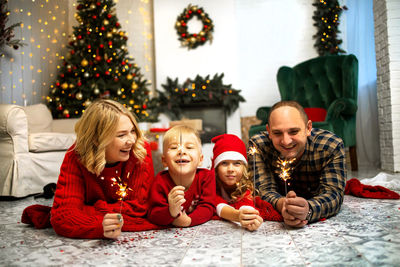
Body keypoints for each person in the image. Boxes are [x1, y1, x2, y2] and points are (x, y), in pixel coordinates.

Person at [47, 99, 159, 239]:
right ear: (96, 139)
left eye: (132, 131)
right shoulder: (75, 157)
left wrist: (85, 210)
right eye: (121, 135)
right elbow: (63, 217)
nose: (131, 140)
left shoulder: (140, 150)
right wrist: (101, 225)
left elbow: (138, 208)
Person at [249, 100, 346, 228]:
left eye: (293, 132)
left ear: (308, 128)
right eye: (277, 133)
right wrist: (282, 204)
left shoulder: (330, 146)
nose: (286, 141)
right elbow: (262, 190)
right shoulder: (258, 146)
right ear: (269, 131)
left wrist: (309, 210)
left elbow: (334, 194)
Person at [147, 125, 215, 227]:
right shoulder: (160, 182)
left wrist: (189, 220)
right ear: (164, 161)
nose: (182, 151)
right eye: (174, 147)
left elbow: (208, 207)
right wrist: (170, 212)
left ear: (200, 159)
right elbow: (153, 214)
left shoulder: (206, 177)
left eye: (189, 147)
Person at [212, 134, 263, 231]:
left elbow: (247, 202)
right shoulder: (211, 185)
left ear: (244, 167)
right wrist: (237, 215)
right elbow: (217, 204)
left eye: (237, 163)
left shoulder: (246, 185)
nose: (230, 169)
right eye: (224, 163)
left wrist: (250, 216)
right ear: (216, 168)